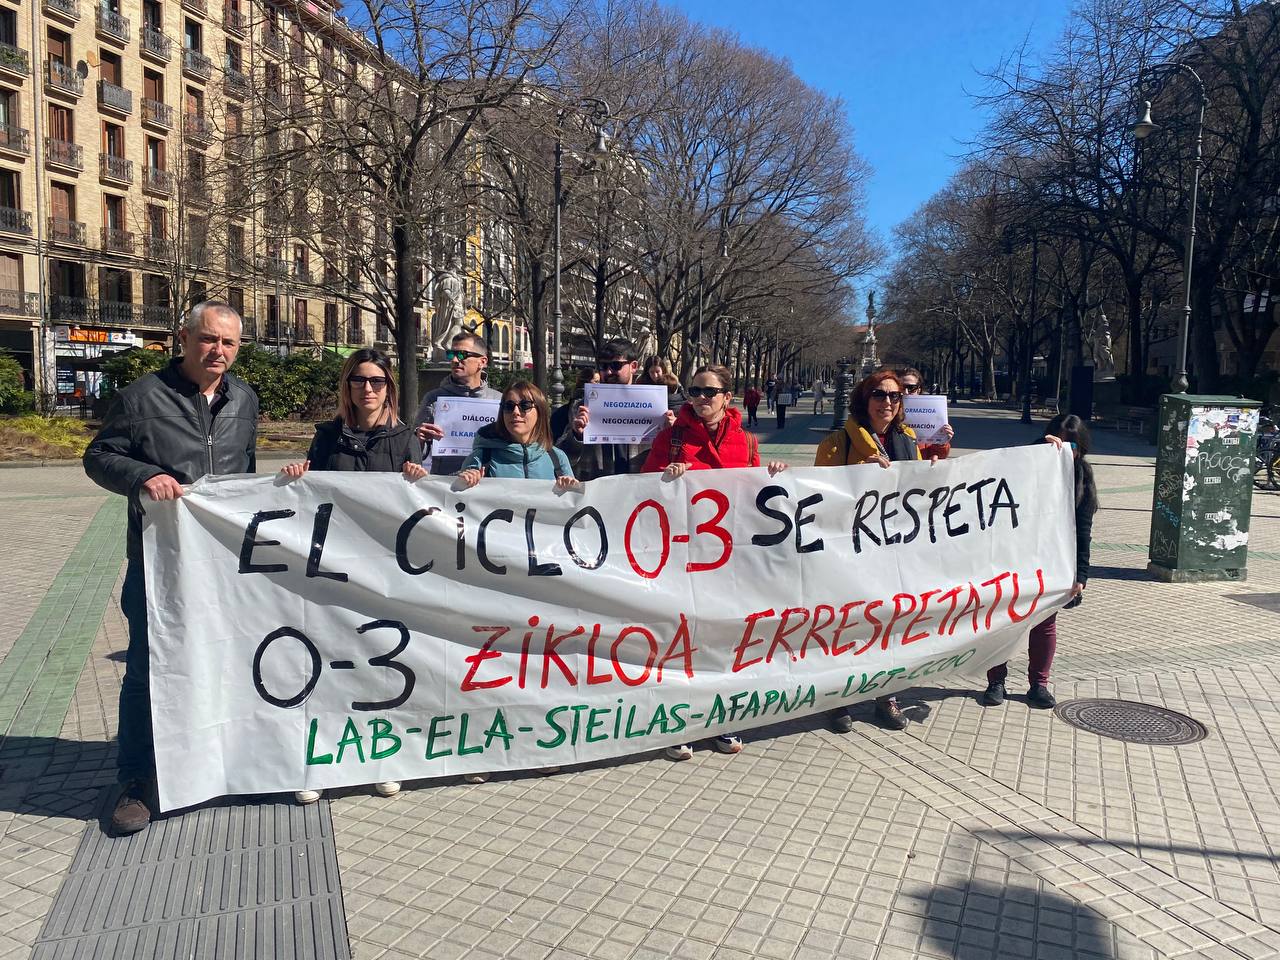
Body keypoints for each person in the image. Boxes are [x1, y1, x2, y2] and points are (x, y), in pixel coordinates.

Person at [84, 302, 259, 835]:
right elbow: (99, 456)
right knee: (147, 667)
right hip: (160, 562)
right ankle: (138, 780)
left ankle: (221, 759)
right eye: (209, 339)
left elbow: (245, 472)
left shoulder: (244, 398)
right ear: (184, 339)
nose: (218, 351)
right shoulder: (142, 398)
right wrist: (143, 476)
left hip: (222, 565)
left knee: (223, 658)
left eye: (228, 343)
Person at [280, 349, 427, 803]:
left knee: (384, 665)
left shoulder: (405, 439)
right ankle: (321, 760)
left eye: (377, 381)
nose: (368, 388)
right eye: (358, 380)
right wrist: (295, 477)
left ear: (389, 387)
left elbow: (419, 506)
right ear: (346, 386)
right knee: (331, 662)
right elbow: (311, 497)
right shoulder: (327, 437)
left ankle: (383, 756)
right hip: (335, 569)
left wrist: (419, 478)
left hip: (385, 572)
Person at [643, 365, 788, 760]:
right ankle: (680, 721)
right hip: (683, 554)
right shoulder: (672, 438)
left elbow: (757, 492)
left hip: (731, 559)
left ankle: (724, 717)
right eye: (695, 391)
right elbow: (643, 488)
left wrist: (774, 473)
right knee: (682, 638)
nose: (701, 398)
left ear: (727, 397)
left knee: (727, 637)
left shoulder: (746, 440)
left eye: (709, 391)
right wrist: (665, 477)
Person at [458, 380, 576, 784]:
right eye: (509, 406)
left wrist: (571, 489)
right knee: (493, 662)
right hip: (496, 578)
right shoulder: (485, 453)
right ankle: (485, 748)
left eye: (525, 405)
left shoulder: (557, 457)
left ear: (540, 411)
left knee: (540, 662)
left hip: (543, 581)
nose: (516, 413)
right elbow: (460, 493)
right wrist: (468, 478)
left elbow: (577, 512)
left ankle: (542, 741)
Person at [814, 369, 921, 733]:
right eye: (879, 394)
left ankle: (885, 695)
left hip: (893, 553)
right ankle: (837, 699)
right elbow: (819, 500)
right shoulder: (837, 443)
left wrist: (937, 465)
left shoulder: (909, 439)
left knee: (889, 626)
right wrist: (859, 475)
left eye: (894, 396)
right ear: (864, 399)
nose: (887, 402)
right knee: (846, 626)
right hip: (848, 554)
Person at [982, 414, 1097, 709]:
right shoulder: (1028, 466)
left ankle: (1039, 684)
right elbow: (1000, 476)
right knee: (1004, 621)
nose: (1065, 451)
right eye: (1059, 443)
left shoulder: (1082, 478)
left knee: (1045, 623)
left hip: (1052, 561)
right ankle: (996, 681)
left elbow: (1083, 531)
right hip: (1013, 558)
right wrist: (1039, 451)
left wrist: (1080, 575)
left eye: (1073, 446)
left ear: (1082, 449)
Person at [556, 338, 675, 480]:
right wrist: (576, 436)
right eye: (603, 366)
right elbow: (560, 458)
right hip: (598, 488)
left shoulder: (655, 406)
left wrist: (673, 434)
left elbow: (674, 459)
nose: (608, 371)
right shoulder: (583, 406)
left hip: (639, 487)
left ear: (633, 366)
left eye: (615, 365)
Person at [414, 331, 502, 476]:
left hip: (487, 484)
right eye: (451, 354)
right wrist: (419, 439)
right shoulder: (433, 399)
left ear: (482, 362)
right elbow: (416, 453)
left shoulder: (499, 401)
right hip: (445, 484)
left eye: (462, 355)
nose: (455, 360)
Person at [897, 366, 955, 460]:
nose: (906, 392)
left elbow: (939, 455)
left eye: (911, 388)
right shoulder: (887, 411)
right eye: (901, 387)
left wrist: (942, 441)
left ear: (919, 389)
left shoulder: (930, 414)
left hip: (920, 465)